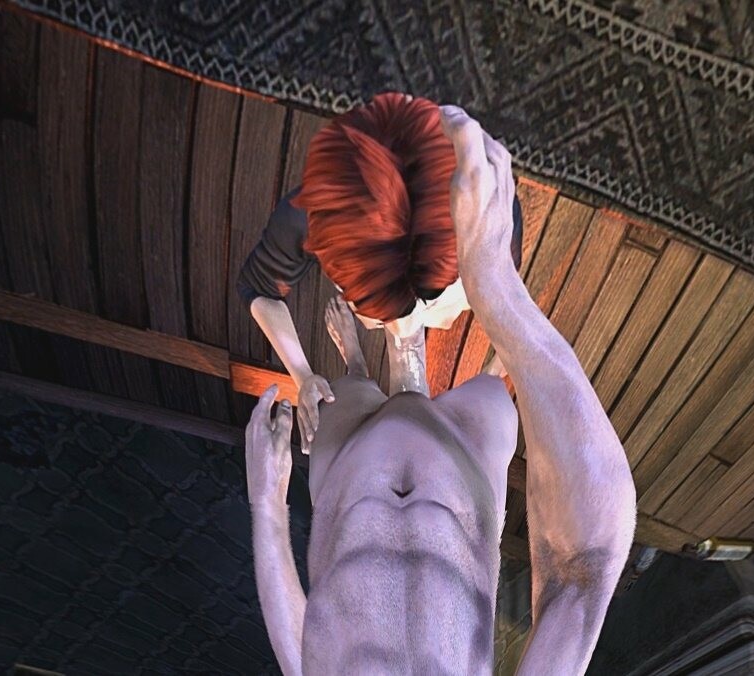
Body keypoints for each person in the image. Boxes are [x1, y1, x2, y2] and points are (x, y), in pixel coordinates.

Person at [244, 105, 636, 674]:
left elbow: (299, 662)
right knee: (493, 394)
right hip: (465, 467)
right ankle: (413, 345)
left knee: (347, 390)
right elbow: (587, 567)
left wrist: (267, 505)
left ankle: (365, 354)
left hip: (349, 473)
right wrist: (495, 288)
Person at [237, 92, 522, 450]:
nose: (404, 336)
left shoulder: (495, 221)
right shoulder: (307, 215)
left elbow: (507, 295)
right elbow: (258, 287)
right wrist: (303, 376)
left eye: (430, 301)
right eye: (376, 310)